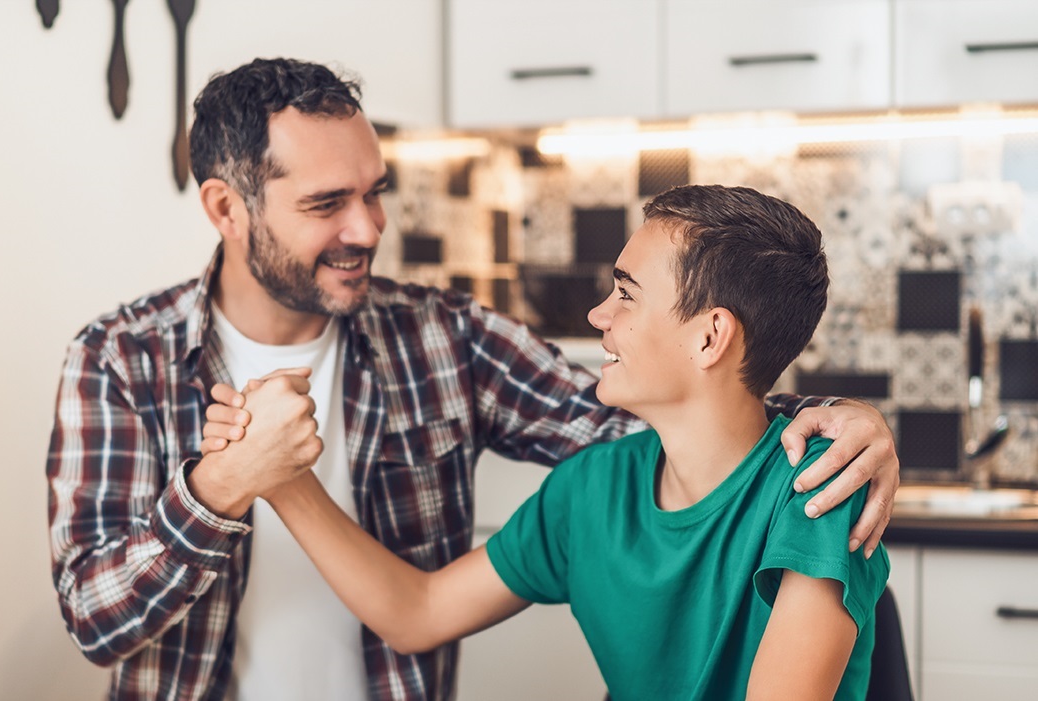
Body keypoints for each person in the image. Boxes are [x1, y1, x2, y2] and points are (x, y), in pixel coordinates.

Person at [44, 57, 897, 701]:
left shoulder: (442, 336)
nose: (368, 226)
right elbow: (97, 617)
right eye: (325, 203)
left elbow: (685, 427)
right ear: (227, 209)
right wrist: (232, 479)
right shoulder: (121, 359)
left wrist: (830, 417)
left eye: (374, 193)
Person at [210, 184, 889, 700]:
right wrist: (278, 476)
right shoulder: (591, 488)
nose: (598, 315)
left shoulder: (818, 491)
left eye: (625, 294)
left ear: (708, 336)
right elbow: (416, 614)